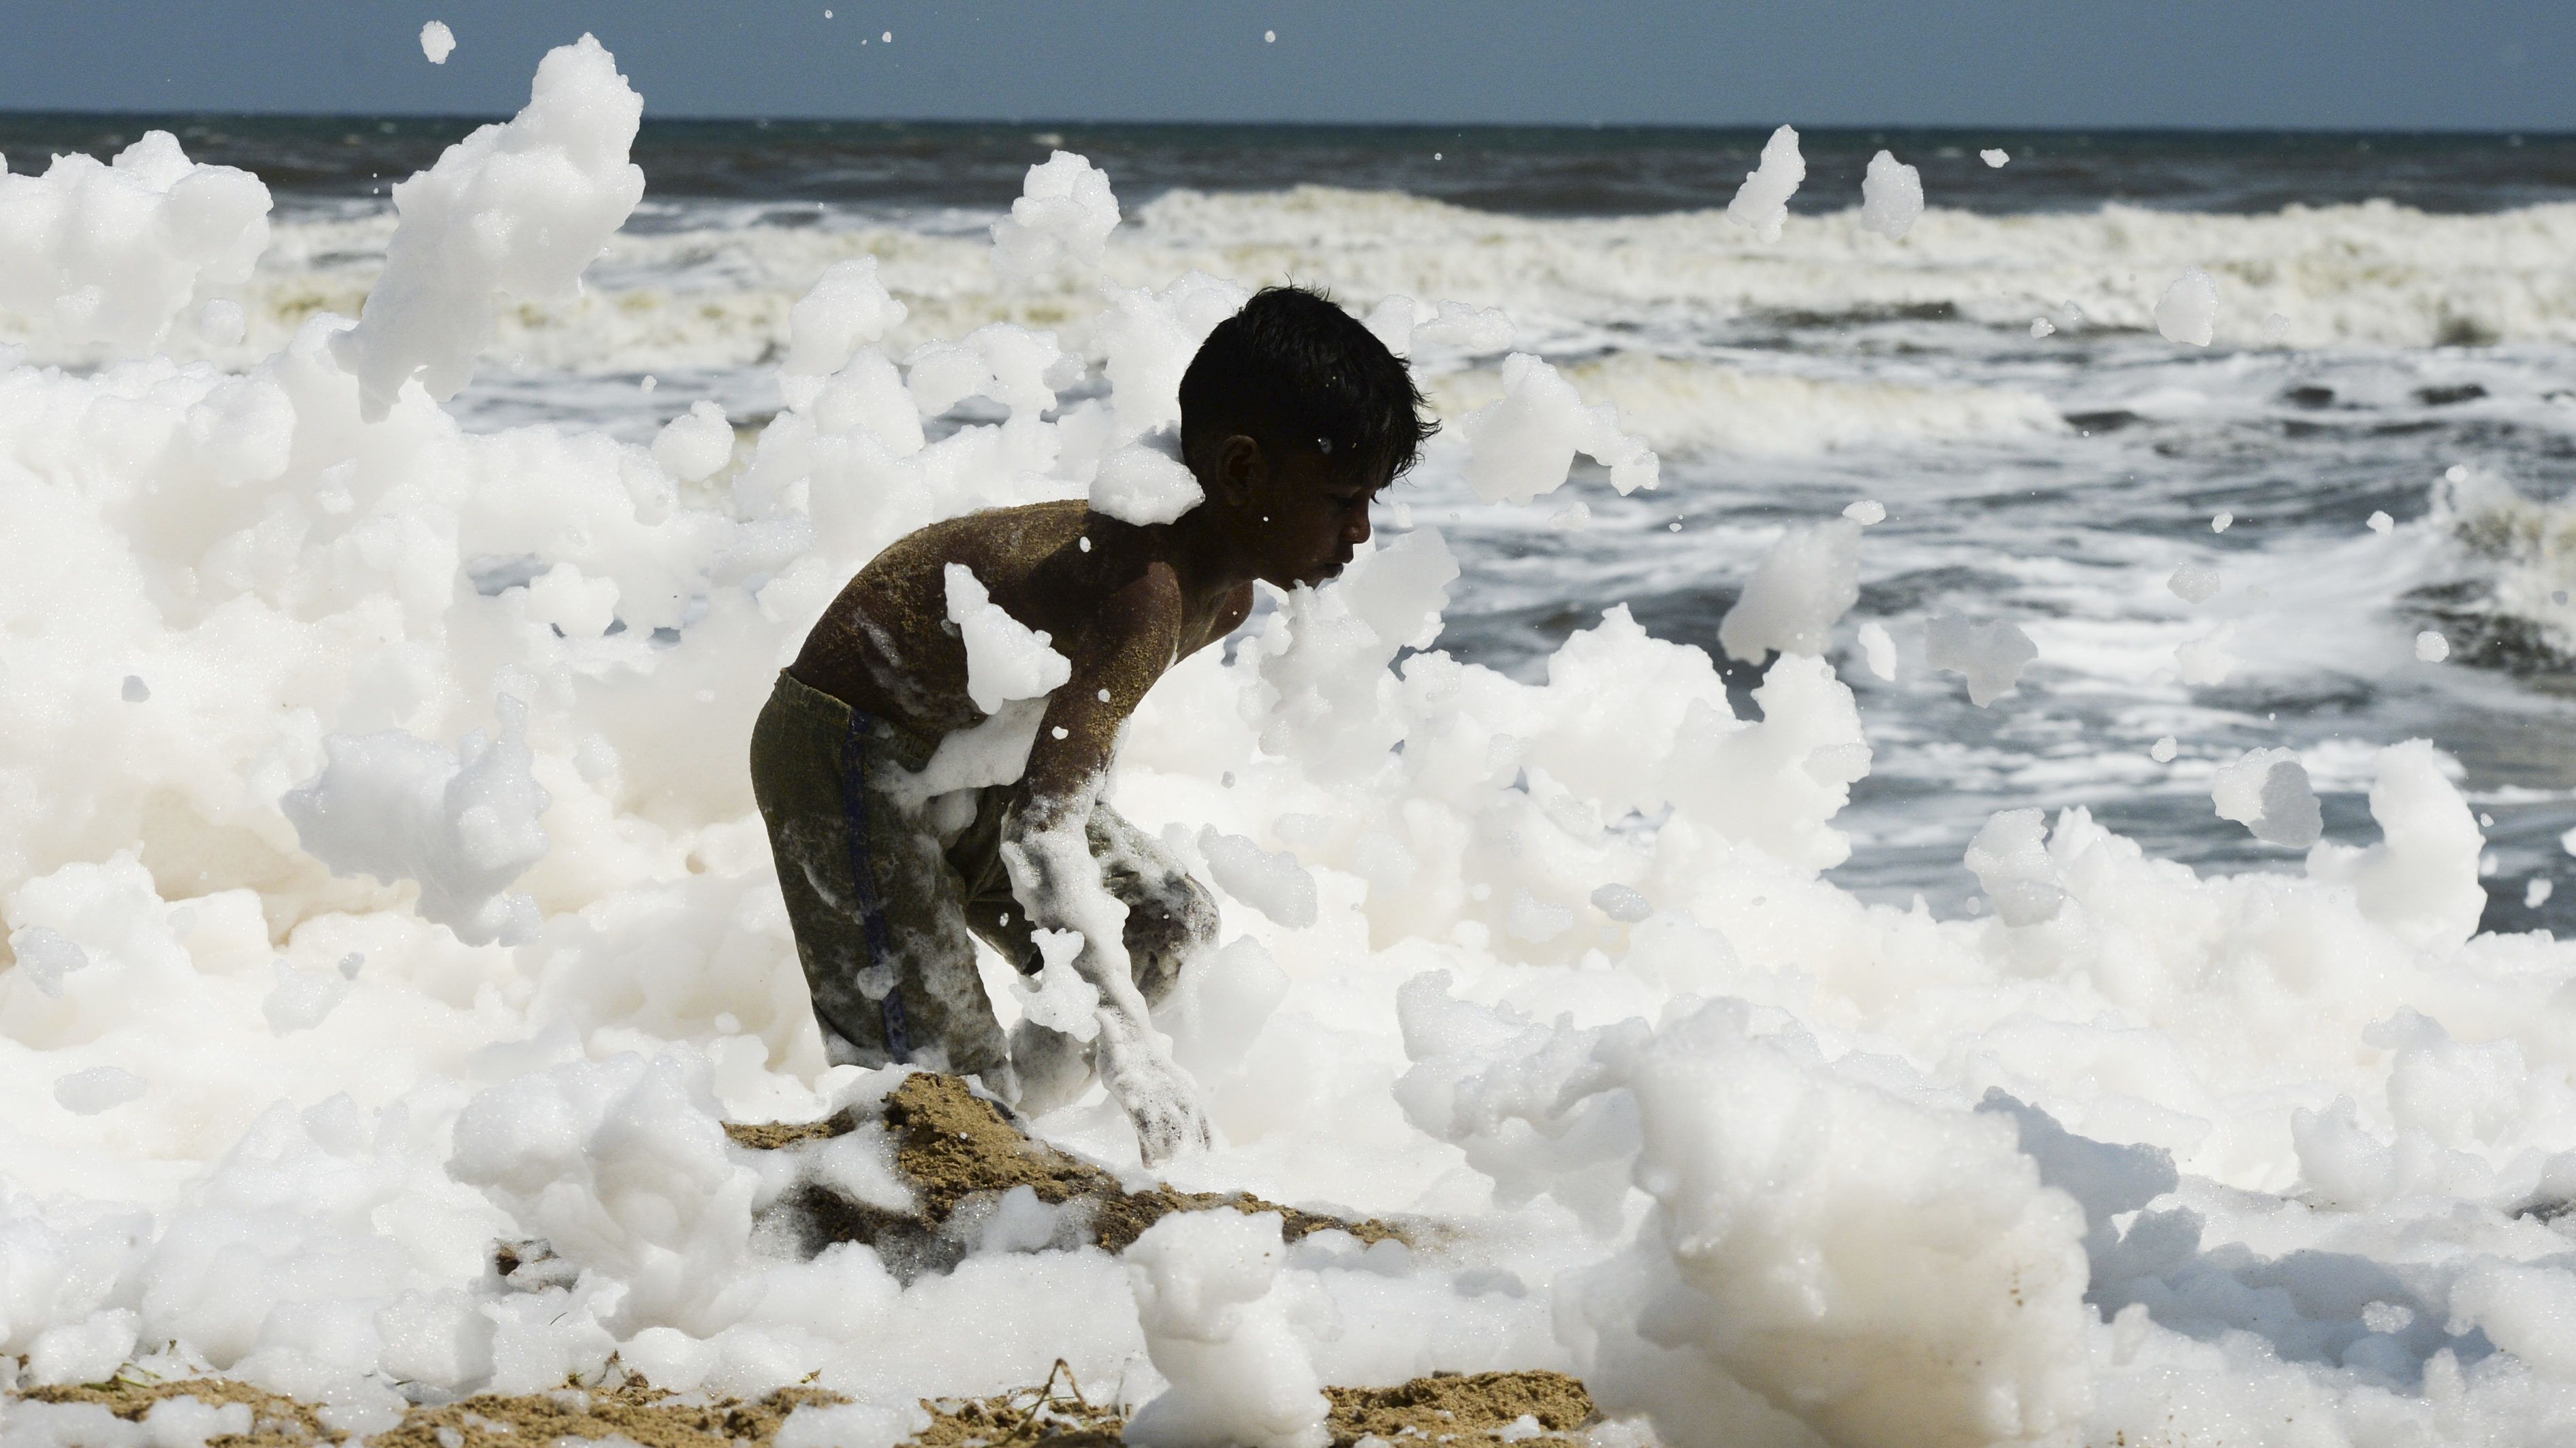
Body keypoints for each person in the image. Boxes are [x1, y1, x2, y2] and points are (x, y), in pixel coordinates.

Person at [749, 285, 1435, 1163]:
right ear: (1242, 472)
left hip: (967, 758)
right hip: (843, 751)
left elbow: (1070, 758)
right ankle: (958, 1141)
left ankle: (1015, 1131)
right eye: (1344, 496)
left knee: (1162, 922)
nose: (1362, 531)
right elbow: (1044, 829)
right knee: (931, 1103)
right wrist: (1134, 1055)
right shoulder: (1145, 593)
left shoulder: (1225, 601)